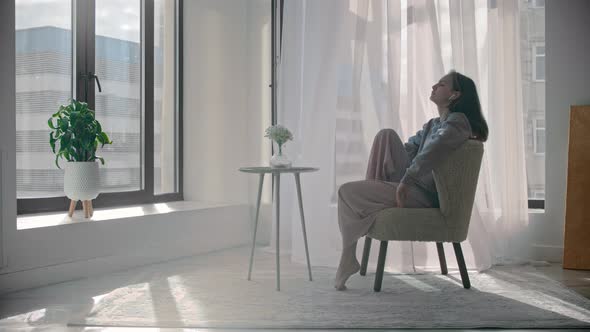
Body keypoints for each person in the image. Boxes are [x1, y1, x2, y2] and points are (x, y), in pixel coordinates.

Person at [334, 70, 489, 290]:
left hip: (424, 195)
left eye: (441, 84)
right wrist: (398, 168)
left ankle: (348, 256)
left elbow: (434, 150)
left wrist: (407, 179)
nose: (434, 86)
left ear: (454, 95)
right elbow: (409, 150)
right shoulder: (433, 125)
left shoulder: (458, 122)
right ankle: (354, 245)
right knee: (385, 135)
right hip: (412, 187)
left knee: (346, 192)